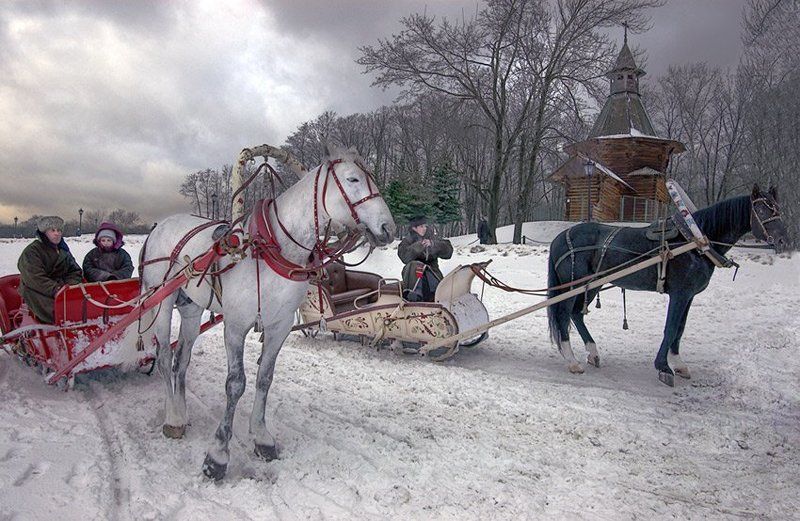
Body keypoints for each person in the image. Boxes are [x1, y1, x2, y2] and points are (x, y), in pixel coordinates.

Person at [17, 216, 83, 323]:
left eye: (59, 230)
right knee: (59, 311)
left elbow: (75, 271)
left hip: (63, 289)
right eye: (52, 230)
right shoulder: (32, 251)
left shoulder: (63, 250)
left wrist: (70, 287)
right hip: (38, 290)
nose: (57, 233)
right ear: (44, 232)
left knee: (84, 307)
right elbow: (34, 278)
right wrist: (57, 289)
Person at [397, 215, 453, 302]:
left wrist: (433, 244)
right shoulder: (407, 242)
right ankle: (414, 295)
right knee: (415, 265)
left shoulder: (433, 238)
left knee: (420, 268)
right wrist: (418, 246)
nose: (424, 228)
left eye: (425, 226)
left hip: (433, 276)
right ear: (414, 228)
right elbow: (404, 258)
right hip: (414, 277)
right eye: (421, 226)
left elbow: (449, 252)